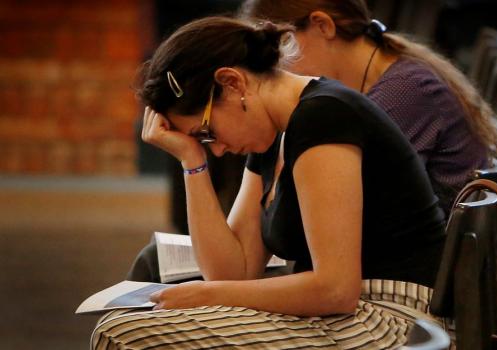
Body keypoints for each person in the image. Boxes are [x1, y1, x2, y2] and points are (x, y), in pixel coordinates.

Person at [91, 16, 447, 349]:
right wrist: (191, 161)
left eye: (206, 132)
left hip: (393, 318)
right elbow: (232, 271)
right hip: (350, 310)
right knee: (132, 322)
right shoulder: (275, 132)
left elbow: (336, 289)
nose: (216, 150)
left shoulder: (323, 117)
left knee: (123, 334)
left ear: (233, 83)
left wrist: (206, 296)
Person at [240, 0, 497, 216]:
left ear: (322, 26)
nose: (274, 70)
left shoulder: (405, 91)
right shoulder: (384, 79)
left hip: (422, 276)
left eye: (279, 49)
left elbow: (344, 209)